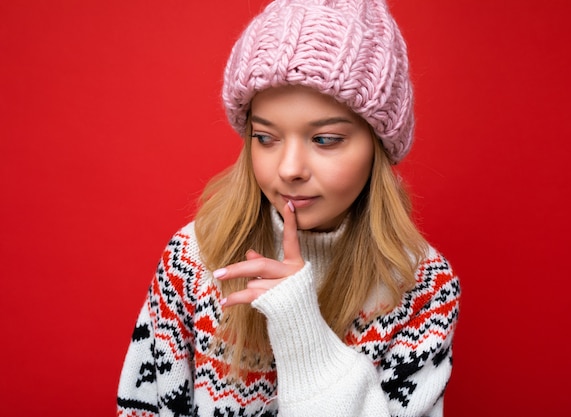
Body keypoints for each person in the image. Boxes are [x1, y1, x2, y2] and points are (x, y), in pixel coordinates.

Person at [116, 0, 460, 416]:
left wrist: (305, 338)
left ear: (378, 147)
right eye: (265, 137)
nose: (289, 169)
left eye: (325, 140)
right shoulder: (194, 259)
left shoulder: (422, 287)